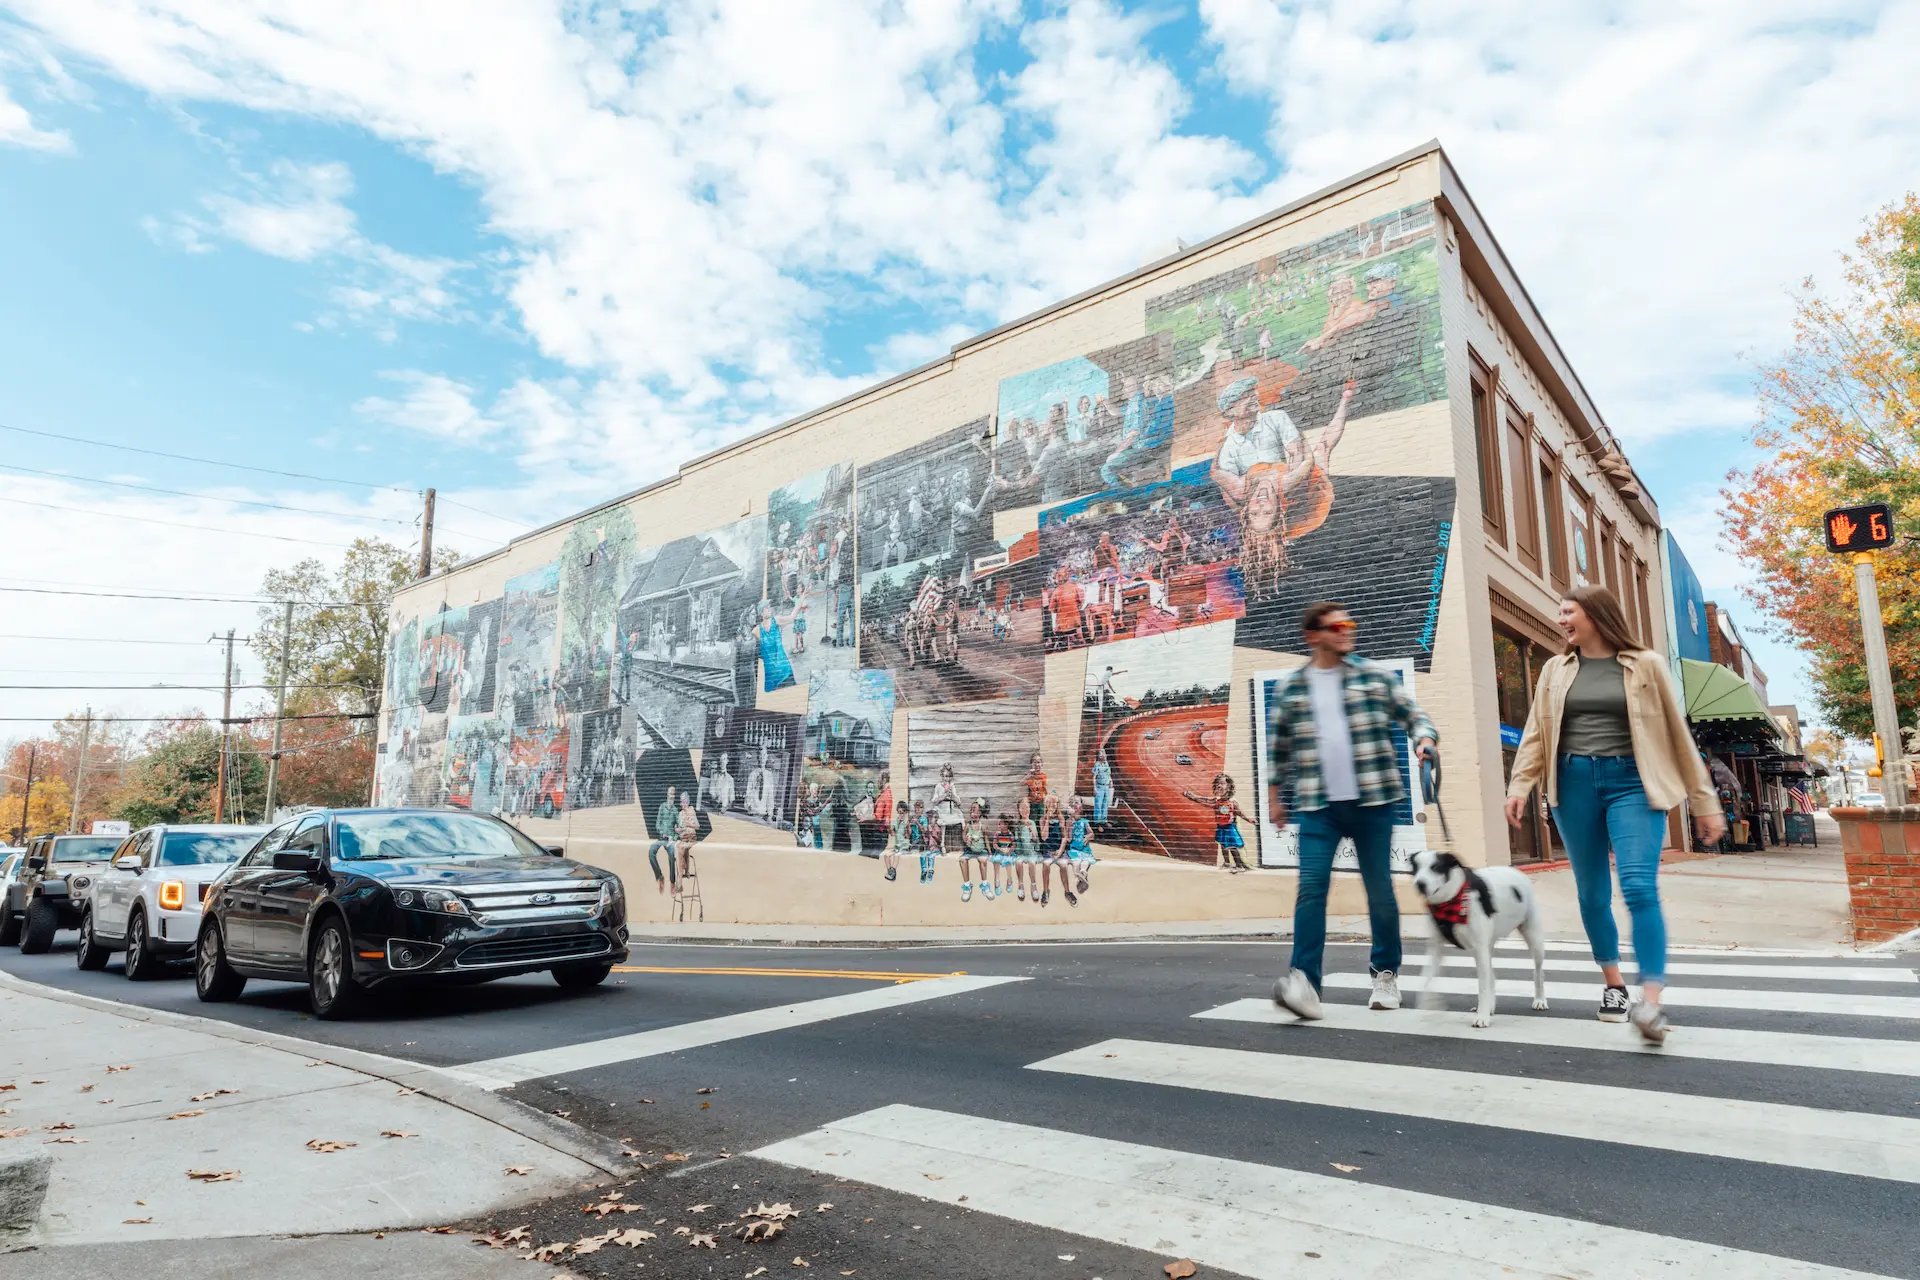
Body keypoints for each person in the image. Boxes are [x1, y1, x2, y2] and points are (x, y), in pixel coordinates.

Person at [1504, 585, 1727, 1043]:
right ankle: (1614, 985)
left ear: (1595, 614)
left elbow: (1677, 735)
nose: (1561, 619)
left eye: (1568, 611)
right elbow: (1536, 733)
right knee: (1591, 894)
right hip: (1572, 784)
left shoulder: (1645, 664)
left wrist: (1704, 801)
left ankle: (1651, 1001)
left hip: (1633, 783)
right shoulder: (1554, 670)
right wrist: (1520, 785)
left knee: (1639, 886)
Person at [1269, 601, 1438, 1020]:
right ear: (1313, 636)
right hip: (1317, 806)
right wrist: (1274, 796)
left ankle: (1385, 974)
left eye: (1349, 623)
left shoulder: (1374, 677)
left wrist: (1424, 740)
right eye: (1336, 626)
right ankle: (1305, 983)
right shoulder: (1292, 688)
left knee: (1379, 890)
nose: (1347, 630)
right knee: (1311, 890)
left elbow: (1414, 715)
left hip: (1373, 802)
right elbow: (1280, 748)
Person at [1184, 772, 1250, 871]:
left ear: (1229, 787)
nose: (1219, 786)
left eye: (1222, 783)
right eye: (1217, 784)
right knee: (1223, 845)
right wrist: (1194, 797)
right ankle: (1227, 863)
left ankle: (1239, 865)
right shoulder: (1217, 801)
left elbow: (1240, 813)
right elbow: (1206, 800)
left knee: (1232, 846)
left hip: (1229, 828)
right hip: (1221, 827)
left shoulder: (1232, 803)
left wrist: (1249, 819)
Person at [647, 785, 680, 893]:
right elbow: (657, 823)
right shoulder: (662, 807)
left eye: (673, 794)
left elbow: (679, 827)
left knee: (672, 854)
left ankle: (672, 882)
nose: (671, 796)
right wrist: (662, 832)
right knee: (651, 851)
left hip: (670, 840)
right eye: (670, 793)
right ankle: (660, 876)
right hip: (661, 838)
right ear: (667, 794)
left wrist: (674, 838)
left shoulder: (675, 810)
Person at [1091, 750, 1114, 826]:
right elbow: (1094, 777)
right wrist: (1094, 788)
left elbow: (1108, 774)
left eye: (1104, 754)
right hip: (1099, 786)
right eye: (1102, 755)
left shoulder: (1106, 763)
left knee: (1105, 804)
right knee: (1098, 804)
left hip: (1106, 786)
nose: (1104, 756)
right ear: (1099, 756)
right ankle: (1097, 822)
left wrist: (1111, 781)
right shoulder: (1097, 764)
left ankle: (1104, 820)